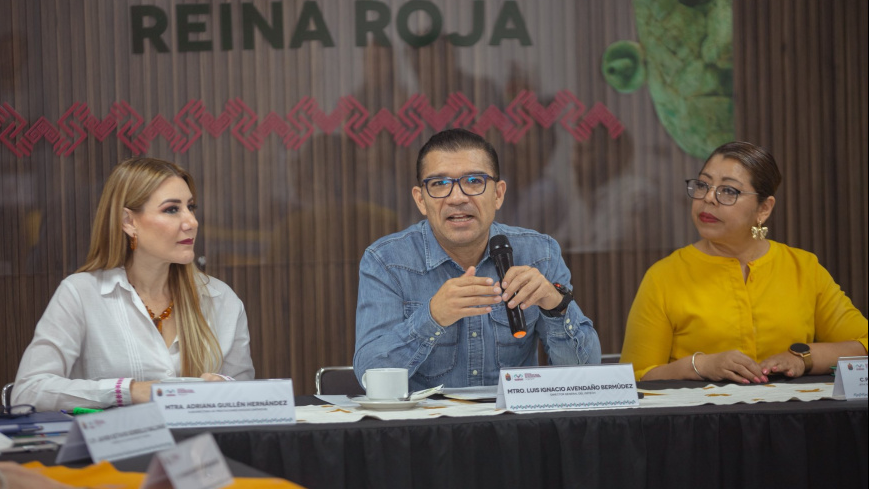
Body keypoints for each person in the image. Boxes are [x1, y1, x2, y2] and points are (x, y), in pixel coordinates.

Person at [354, 129, 601, 390]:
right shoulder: (386, 261)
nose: (457, 198)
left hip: (511, 416)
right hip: (429, 418)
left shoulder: (540, 254)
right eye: (439, 184)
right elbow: (370, 375)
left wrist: (555, 305)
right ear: (421, 200)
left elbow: (585, 376)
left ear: (498, 194)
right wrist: (432, 317)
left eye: (474, 181)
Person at [12, 158, 255, 411]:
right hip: (111, 438)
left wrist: (226, 387)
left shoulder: (221, 298)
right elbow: (28, 391)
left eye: (190, 207)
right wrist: (129, 391)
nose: (191, 222)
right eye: (172, 209)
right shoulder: (80, 294)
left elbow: (250, 398)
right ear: (128, 221)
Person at [620, 141, 867, 383]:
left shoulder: (803, 268)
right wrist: (701, 366)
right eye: (703, 185)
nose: (709, 198)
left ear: (764, 209)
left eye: (728, 191)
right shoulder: (664, 276)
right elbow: (634, 377)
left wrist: (803, 359)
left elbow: (863, 344)